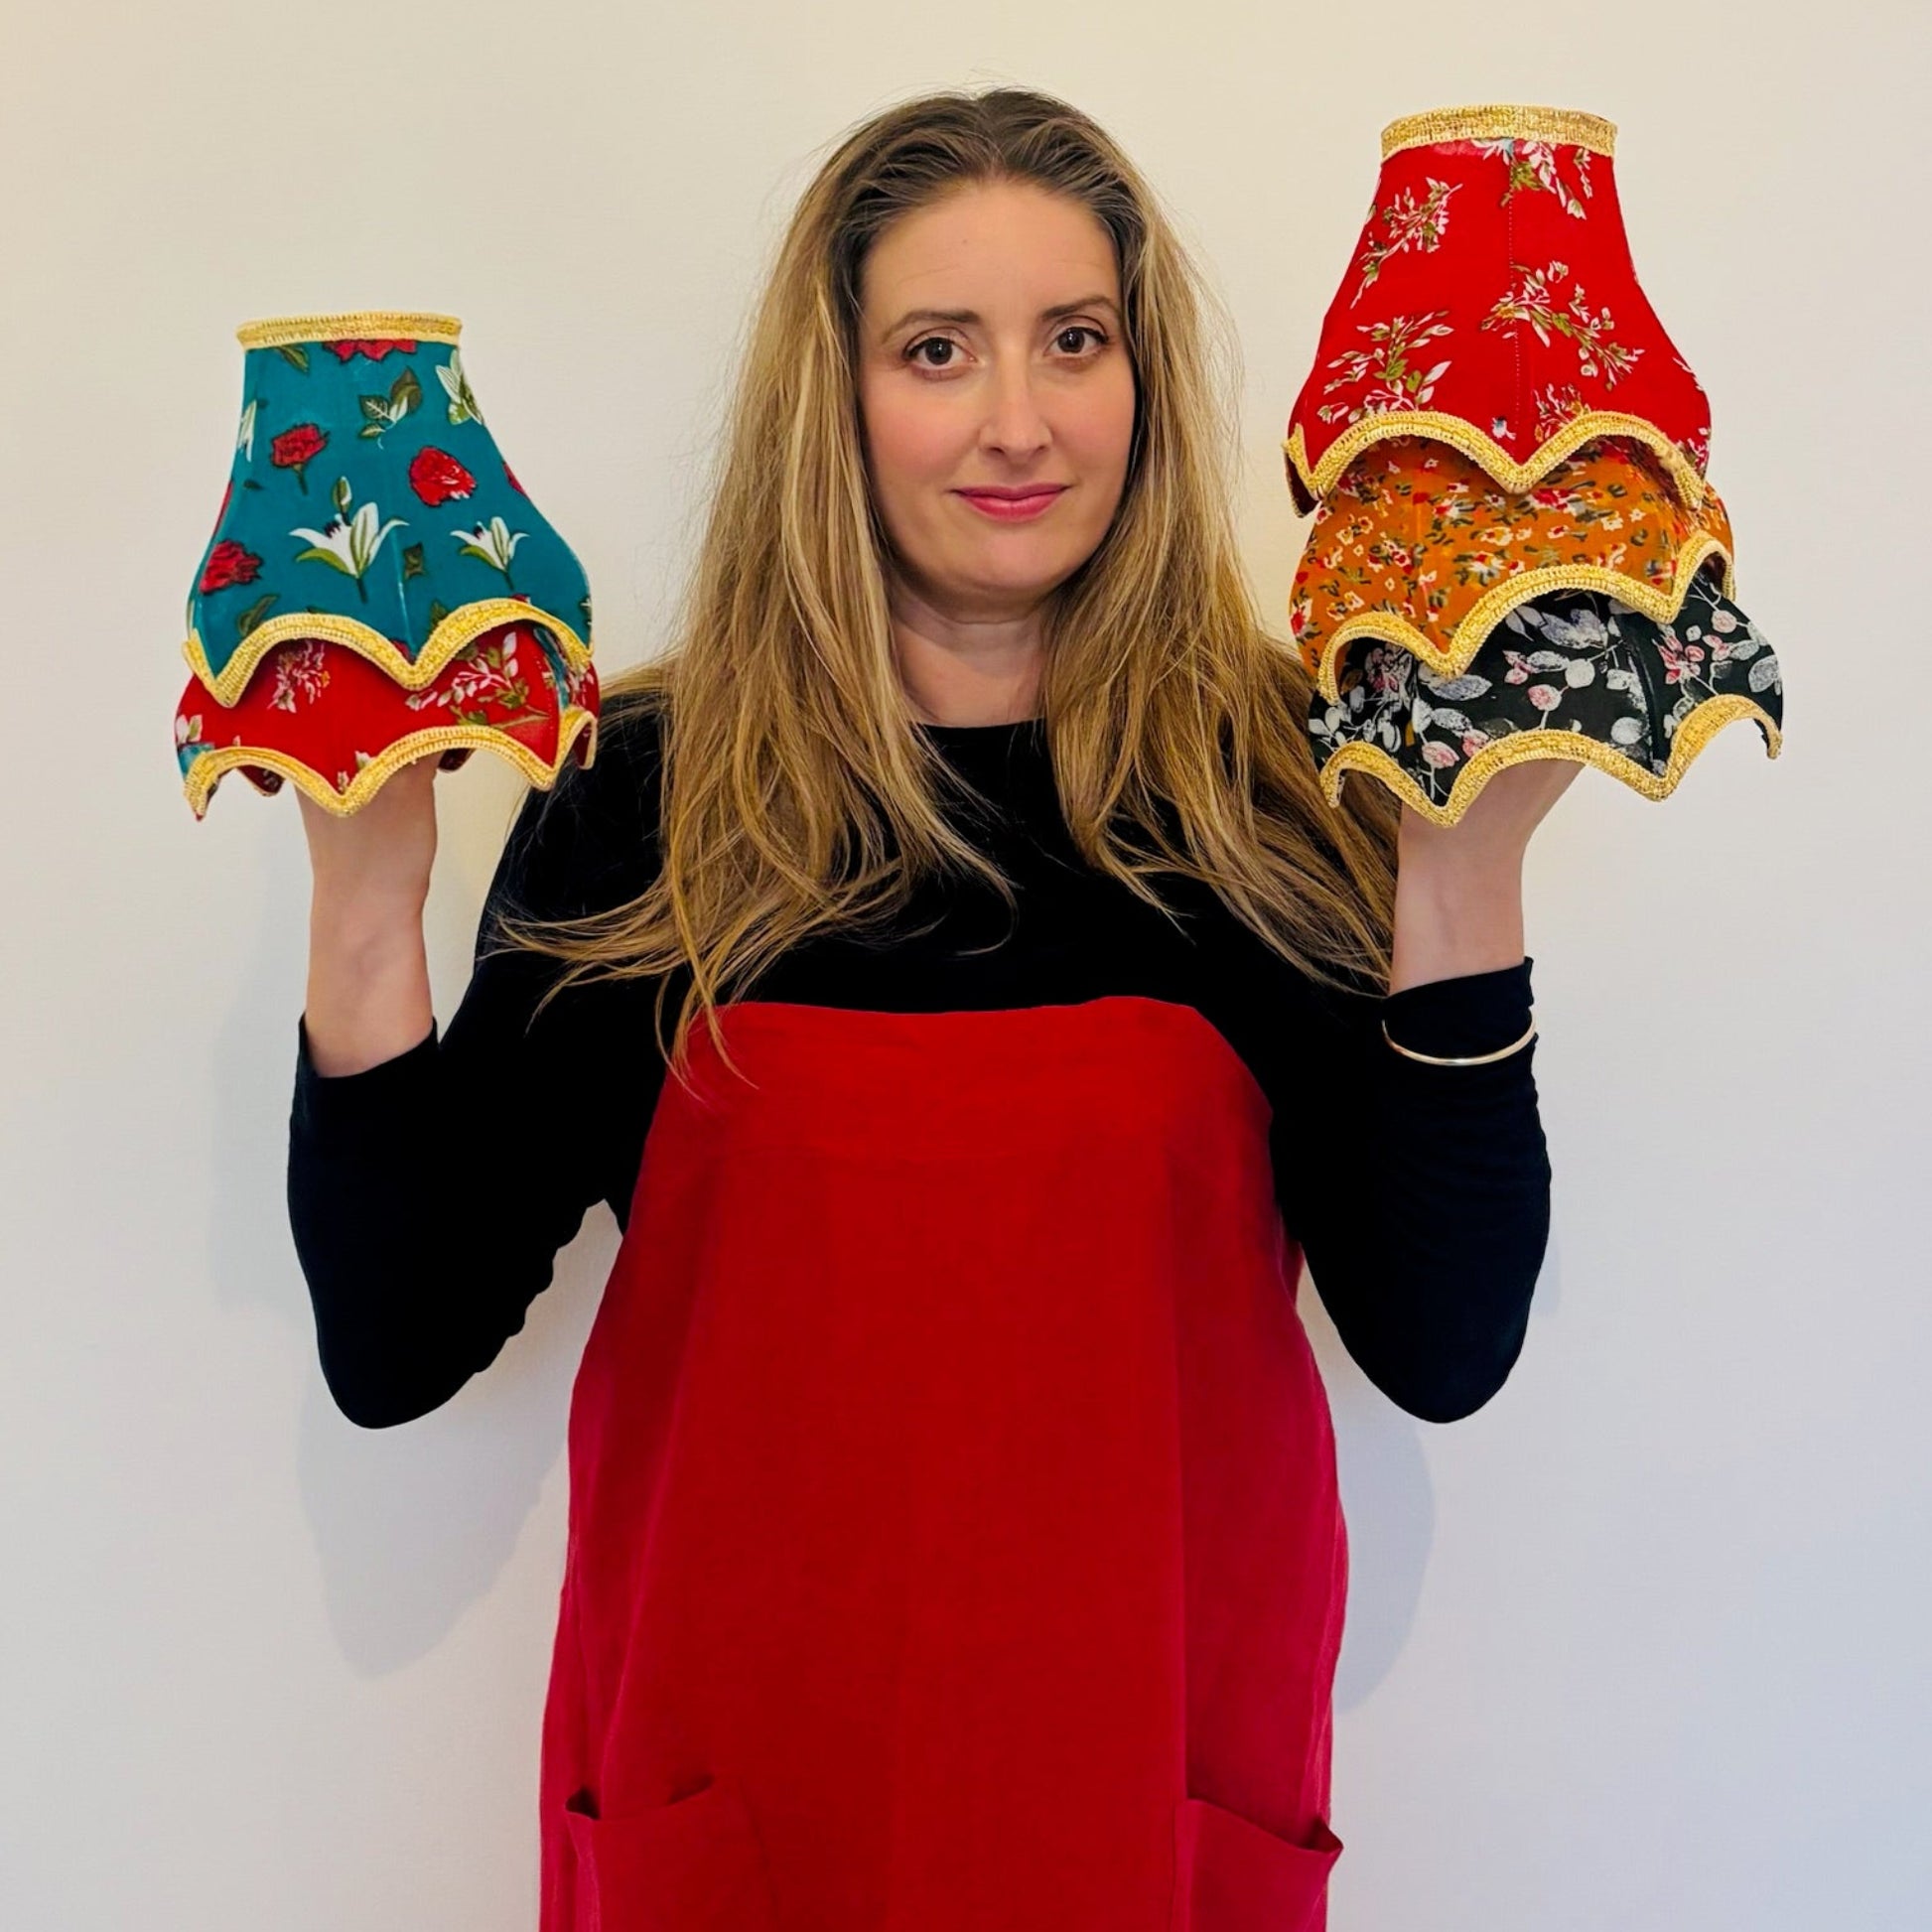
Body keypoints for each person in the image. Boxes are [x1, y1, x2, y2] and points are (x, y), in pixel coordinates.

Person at [288, 87, 1564, 1932]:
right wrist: (362, 894)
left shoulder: (1272, 782)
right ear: (839, 394)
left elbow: (1443, 1342)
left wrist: (1462, 872)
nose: (1018, 421)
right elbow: (393, 1342)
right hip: (736, 1802)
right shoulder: (656, 786)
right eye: (937, 351)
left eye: (1075, 340)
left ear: (1140, 376)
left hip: (1141, 1798)